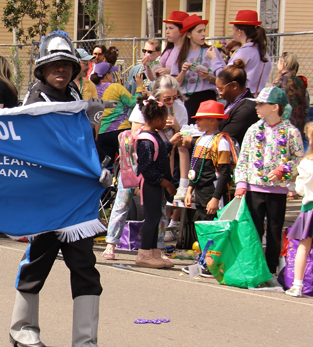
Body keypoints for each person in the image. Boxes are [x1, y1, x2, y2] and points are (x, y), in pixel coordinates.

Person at [11, 30, 108, 347]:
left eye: (67, 65)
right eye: (54, 65)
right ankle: (22, 327)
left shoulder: (75, 98)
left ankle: (85, 343)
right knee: (39, 259)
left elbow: (83, 146)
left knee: (85, 267)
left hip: (78, 201)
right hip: (48, 199)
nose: (61, 70)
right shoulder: (35, 105)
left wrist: (98, 165)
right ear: (41, 70)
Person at [102, 76, 179, 261]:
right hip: (135, 166)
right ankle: (111, 243)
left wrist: (174, 128)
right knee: (123, 203)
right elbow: (136, 139)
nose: (171, 102)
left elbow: (168, 144)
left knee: (158, 211)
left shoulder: (174, 111)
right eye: (167, 98)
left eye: (174, 98)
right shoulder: (145, 111)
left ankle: (156, 249)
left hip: (158, 167)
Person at [234, 86, 304, 274]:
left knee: (274, 231)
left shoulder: (291, 132)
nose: (256, 106)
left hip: (277, 190)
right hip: (254, 188)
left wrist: (284, 169)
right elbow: (244, 159)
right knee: (254, 230)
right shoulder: (253, 130)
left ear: (275, 107)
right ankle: (254, 268)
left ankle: (271, 269)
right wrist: (241, 184)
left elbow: (298, 158)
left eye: (261, 103)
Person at [133, 97, 180, 268]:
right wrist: (166, 183)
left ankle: (154, 253)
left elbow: (159, 154)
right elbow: (147, 168)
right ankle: (144, 254)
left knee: (157, 217)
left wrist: (170, 144)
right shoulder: (145, 139)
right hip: (152, 184)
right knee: (151, 218)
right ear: (158, 120)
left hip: (157, 184)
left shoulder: (154, 136)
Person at [183, 101, 238, 220]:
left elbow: (224, 173)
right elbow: (195, 168)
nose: (197, 121)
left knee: (213, 228)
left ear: (212, 121)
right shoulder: (200, 140)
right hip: (200, 193)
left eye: (200, 119)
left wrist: (215, 198)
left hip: (212, 193)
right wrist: (189, 190)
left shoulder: (220, 142)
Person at [88, 47, 136, 164]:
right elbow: (132, 102)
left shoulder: (92, 89)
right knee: (127, 164)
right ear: (107, 74)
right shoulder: (116, 87)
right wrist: (139, 87)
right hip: (121, 130)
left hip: (101, 132)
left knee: (105, 164)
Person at [286, 121, 313, 297]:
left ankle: (297, 285)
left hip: (311, 208)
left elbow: (299, 189)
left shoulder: (306, 163)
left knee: (303, 247)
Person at [216, 61, 258, 148]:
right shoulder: (233, 102)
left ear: (234, 85)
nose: (219, 93)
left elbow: (227, 138)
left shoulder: (246, 109)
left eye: (221, 89)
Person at [229, 10, 272, 93]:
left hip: (244, 97)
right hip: (258, 96)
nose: (232, 32)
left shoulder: (243, 53)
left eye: (233, 29)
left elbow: (226, 76)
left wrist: (215, 59)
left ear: (239, 32)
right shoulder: (264, 52)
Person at [274, 51, 309, 134]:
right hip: (299, 125)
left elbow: (273, 103)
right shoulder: (300, 82)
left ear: (282, 65)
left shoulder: (279, 81)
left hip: (284, 124)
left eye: (278, 62)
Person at [154, 11, 188, 78]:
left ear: (182, 31)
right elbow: (154, 75)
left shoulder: (189, 50)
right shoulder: (169, 51)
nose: (167, 32)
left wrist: (170, 71)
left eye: (171, 28)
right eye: (166, 28)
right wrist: (150, 63)